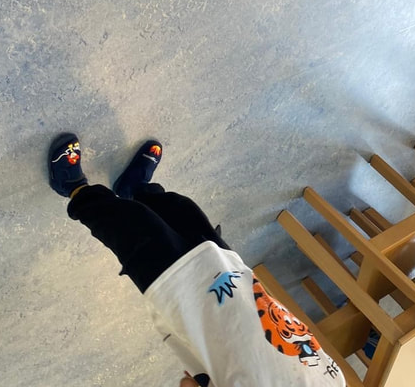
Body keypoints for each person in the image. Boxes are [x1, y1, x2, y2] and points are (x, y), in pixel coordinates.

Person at [48, 133, 347, 387]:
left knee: (130, 227)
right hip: (235, 282)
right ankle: (136, 189)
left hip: (187, 301)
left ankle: (75, 189)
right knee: (182, 211)